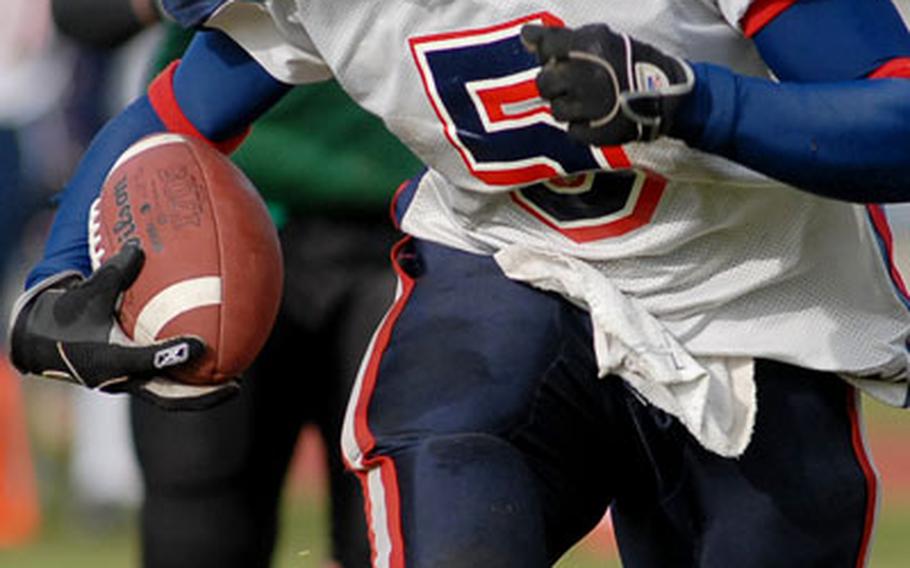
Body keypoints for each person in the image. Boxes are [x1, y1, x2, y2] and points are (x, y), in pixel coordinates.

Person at [11, 0, 910, 566]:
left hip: (759, 311)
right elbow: (172, 115)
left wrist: (702, 107)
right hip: (511, 273)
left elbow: (897, 115)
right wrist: (57, 282)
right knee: (451, 497)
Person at [50, 1, 421, 566]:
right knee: (198, 525)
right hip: (208, 226)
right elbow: (82, 15)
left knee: (396, 534)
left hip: (408, 227)